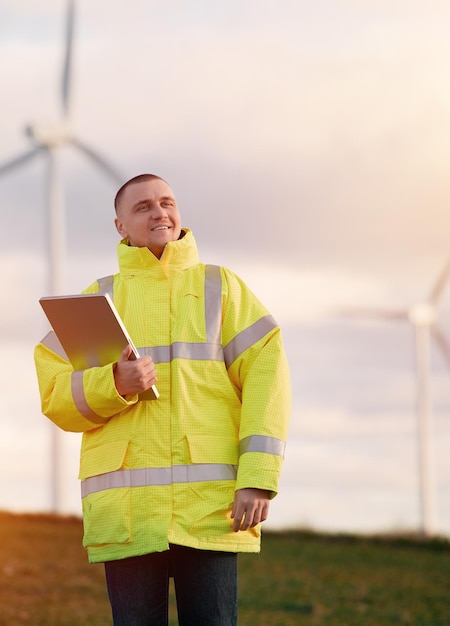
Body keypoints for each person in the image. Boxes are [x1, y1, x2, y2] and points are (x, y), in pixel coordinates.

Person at [34, 173, 291, 626]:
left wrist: (258, 477)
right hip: (127, 516)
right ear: (120, 226)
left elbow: (268, 383)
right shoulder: (96, 299)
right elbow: (55, 395)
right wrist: (113, 383)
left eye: (167, 202)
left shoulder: (222, 288)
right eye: (143, 207)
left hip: (211, 510)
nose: (160, 212)